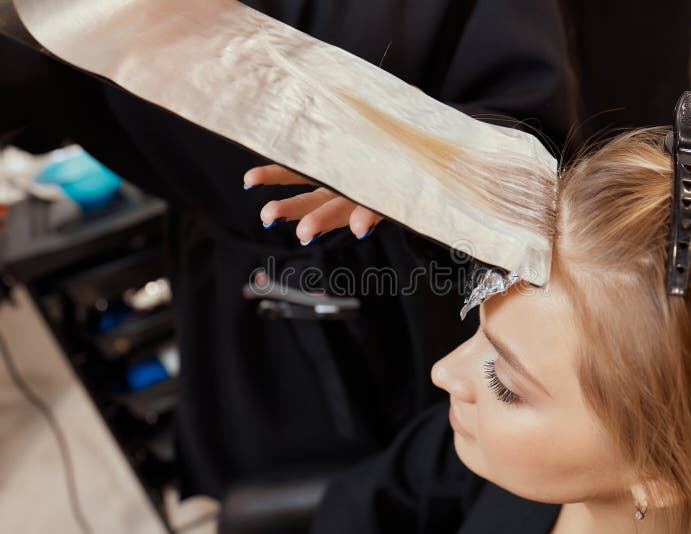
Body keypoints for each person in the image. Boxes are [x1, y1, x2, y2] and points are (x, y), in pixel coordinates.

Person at [0, 0, 575, 498]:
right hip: (247, 294)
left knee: (441, 477)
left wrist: (412, 164)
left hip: (415, 273)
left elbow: (528, 127)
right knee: (285, 494)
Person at [257, 127, 691, 533]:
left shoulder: (504, 452)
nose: (444, 372)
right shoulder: (481, 455)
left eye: (505, 384)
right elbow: (363, 508)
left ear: (662, 470)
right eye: (480, 333)